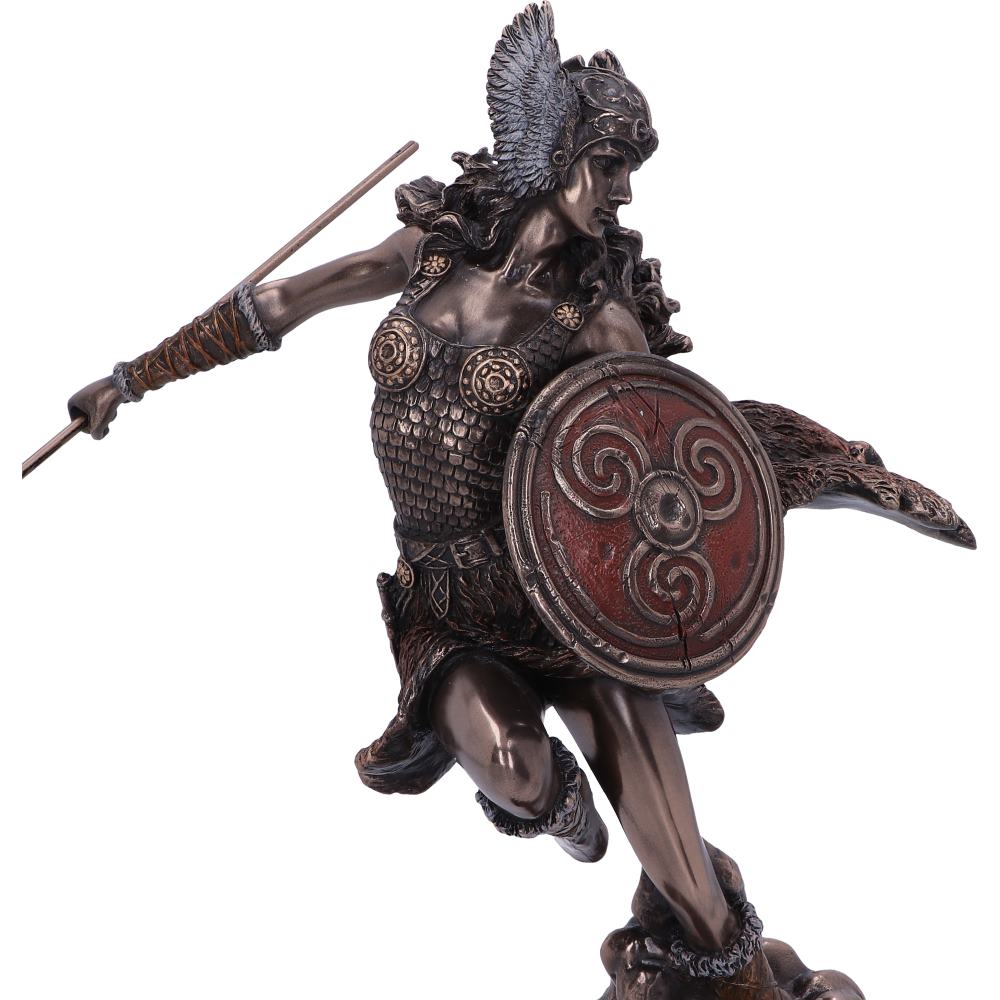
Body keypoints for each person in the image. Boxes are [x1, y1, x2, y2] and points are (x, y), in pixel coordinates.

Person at [66, 6, 889, 999]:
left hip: (564, 608)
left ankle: (745, 969)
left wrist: (788, 477)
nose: (625, 191)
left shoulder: (598, 321)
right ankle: (568, 812)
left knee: (698, 902)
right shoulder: (429, 251)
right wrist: (133, 376)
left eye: (632, 168)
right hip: (446, 607)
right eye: (611, 163)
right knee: (517, 769)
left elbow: (663, 465)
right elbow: (278, 303)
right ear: (554, 151)